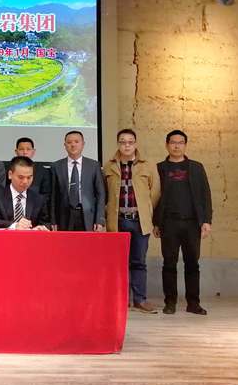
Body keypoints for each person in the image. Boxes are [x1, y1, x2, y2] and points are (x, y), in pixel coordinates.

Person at [153, 130, 212, 315]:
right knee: (169, 264)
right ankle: (170, 303)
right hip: (169, 223)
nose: (176, 146)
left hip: (192, 223)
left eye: (180, 142)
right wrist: (156, 222)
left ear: (185, 145)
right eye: (173, 142)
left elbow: (205, 195)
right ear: (167, 145)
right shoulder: (159, 168)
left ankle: (193, 303)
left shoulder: (196, 168)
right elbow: (154, 197)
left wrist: (206, 221)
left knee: (192, 263)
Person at [103, 129, 161, 314]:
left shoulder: (148, 166)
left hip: (139, 221)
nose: (126, 145)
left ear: (135, 144)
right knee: (118, 263)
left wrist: (145, 210)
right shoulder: (109, 166)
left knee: (139, 262)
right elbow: (104, 193)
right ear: (118, 144)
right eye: (122, 142)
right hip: (117, 221)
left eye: (130, 142)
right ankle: (121, 300)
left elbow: (155, 192)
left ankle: (139, 300)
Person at [50, 131, 106, 231]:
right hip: (64, 216)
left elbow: (100, 194)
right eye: (69, 142)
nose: (73, 145)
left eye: (76, 142)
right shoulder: (56, 166)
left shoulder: (94, 165)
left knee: (87, 241)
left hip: (88, 215)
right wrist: (53, 220)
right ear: (65, 145)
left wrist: (99, 219)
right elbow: (53, 196)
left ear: (83, 144)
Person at [0, 156, 52, 230]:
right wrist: (15, 226)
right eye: (21, 177)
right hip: (5, 236)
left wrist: (40, 228)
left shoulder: (38, 199)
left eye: (29, 177)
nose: (25, 181)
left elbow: (46, 223)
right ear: (10, 175)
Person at [14, 137, 53, 220]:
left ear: (33, 151)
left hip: (36, 214)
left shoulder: (43, 171)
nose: (25, 152)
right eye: (21, 149)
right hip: (12, 213)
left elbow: (46, 196)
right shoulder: (9, 170)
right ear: (16, 151)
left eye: (28, 149)